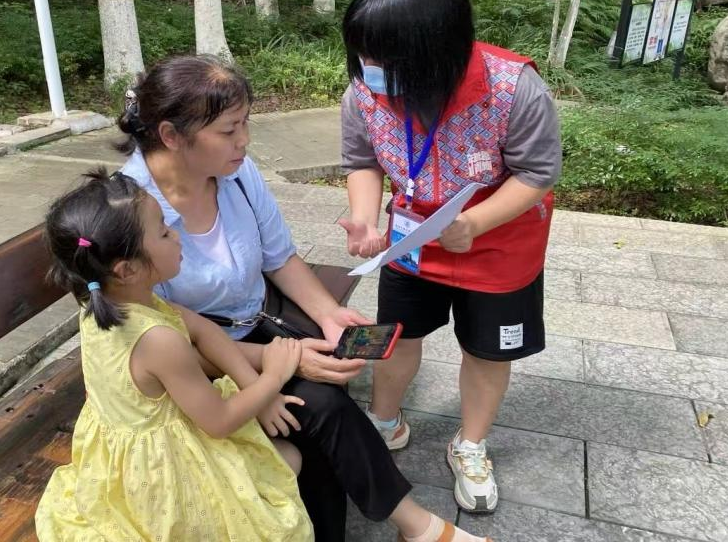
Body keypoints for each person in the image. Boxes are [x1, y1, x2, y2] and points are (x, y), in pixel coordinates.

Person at [117, 55, 492, 542]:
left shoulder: (236, 172)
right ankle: (416, 526)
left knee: (327, 375)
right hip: (190, 366)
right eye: (229, 130)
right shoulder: (132, 215)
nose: (244, 141)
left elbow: (280, 258)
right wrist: (286, 361)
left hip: (256, 324)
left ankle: (342, 528)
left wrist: (329, 314)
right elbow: (163, 342)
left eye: (246, 123)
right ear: (171, 135)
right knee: (319, 404)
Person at [339, 0, 561, 515]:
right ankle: (384, 423)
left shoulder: (512, 88)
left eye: (384, 58)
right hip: (412, 238)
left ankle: (471, 444)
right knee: (396, 334)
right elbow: (362, 159)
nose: (370, 70)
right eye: (364, 55)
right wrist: (365, 218)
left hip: (500, 244)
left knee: (486, 350)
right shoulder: (365, 89)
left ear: (437, 50)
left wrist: (476, 224)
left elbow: (538, 172)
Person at [34, 169, 313, 540]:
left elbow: (203, 329)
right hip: (162, 478)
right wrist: (273, 377)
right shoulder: (158, 341)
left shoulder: (103, 304)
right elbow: (219, 421)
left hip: (121, 459)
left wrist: (252, 379)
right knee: (288, 462)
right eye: (164, 232)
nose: (177, 235)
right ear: (128, 269)